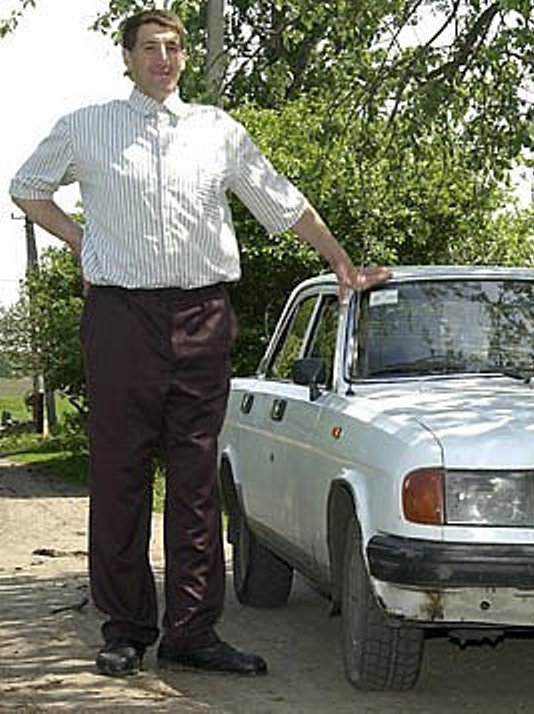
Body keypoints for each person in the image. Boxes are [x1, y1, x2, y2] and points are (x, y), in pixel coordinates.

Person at [9, 8, 389, 678]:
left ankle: (191, 631)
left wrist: (340, 262)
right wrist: (82, 243)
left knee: (194, 481)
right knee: (121, 477)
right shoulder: (87, 127)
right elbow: (27, 188)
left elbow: (281, 201)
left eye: (173, 47)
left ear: (184, 57)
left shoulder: (218, 131)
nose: (164, 58)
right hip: (121, 319)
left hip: (203, 317)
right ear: (127, 58)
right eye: (150, 47)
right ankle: (126, 629)